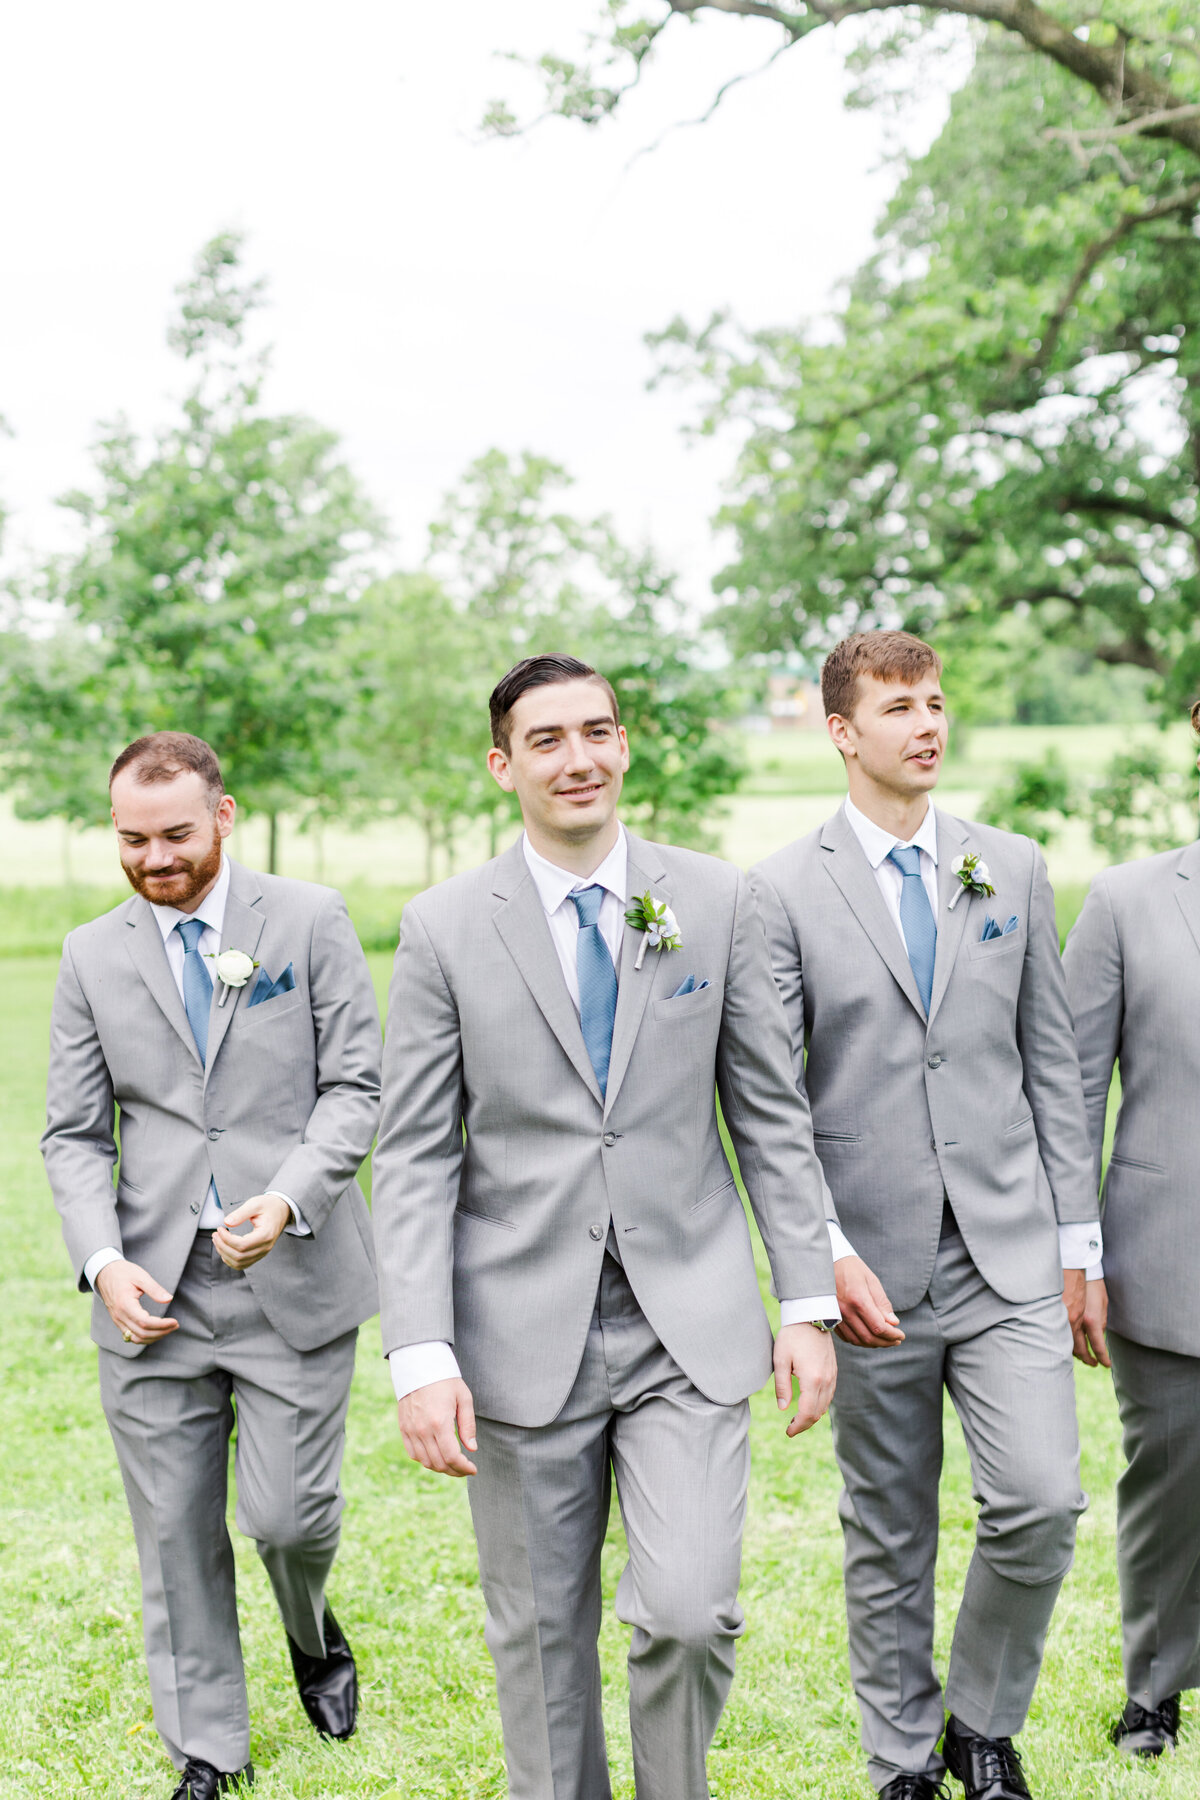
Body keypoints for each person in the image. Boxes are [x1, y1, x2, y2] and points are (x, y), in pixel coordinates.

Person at [372, 652, 840, 1800]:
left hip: (690, 1322)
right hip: (518, 1329)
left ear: (623, 745)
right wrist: (420, 1354)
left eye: (597, 732)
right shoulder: (441, 929)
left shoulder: (722, 901)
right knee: (538, 1636)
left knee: (689, 1610)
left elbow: (770, 1116)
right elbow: (418, 1156)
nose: (577, 758)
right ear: (503, 765)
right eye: (546, 740)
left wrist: (808, 1302)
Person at [750, 631, 1105, 1800]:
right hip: (871, 1269)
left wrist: (1075, 1247)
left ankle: (983, 1722)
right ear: (844, 732)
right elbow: (774, 1101)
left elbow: (1052, 1066)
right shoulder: (780, 891)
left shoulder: (1012, 864)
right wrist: (825, 1257)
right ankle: (902, 1757)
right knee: (888, 1527)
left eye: (938, 702)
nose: (928, 725)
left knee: (1042, 1498)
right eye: (900, 707)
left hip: (1007, 1254)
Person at [41, 732, 381, 1800]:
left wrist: (289, 1195)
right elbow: (73, 1135)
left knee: (287, 1520)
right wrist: (101, 1261)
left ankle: (311, 1628)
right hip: (151, 1293)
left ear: (223, 816)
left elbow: (359, 1091)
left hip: (296, 1276)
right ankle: (209, 1749)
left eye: (176, 834)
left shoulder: (313, 920)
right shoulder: (90, 955)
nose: (155, 858)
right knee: (175, 1532)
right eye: (132, 839)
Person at [1062, 701, 1200, 1759]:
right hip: (1166, 1249)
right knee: (1167, 1475)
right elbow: (1068, 1092)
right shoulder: (1124, 901)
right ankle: (1156, 1686)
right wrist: (1078, 1251)